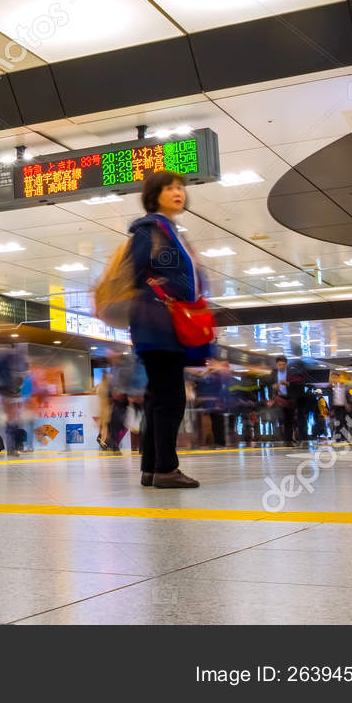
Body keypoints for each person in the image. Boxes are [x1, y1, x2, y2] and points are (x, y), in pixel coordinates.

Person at [127, 170, 208, 489]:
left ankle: (151, 468)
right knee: (171, 398)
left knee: (157, 397)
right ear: (154, 194)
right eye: (170, 188)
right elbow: (138, 273)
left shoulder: (167, 229)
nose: (178, 192)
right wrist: (171, 292)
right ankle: (166, 468)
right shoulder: (151, 228)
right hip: (158, 325)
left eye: (180, 188)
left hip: (156, 325)